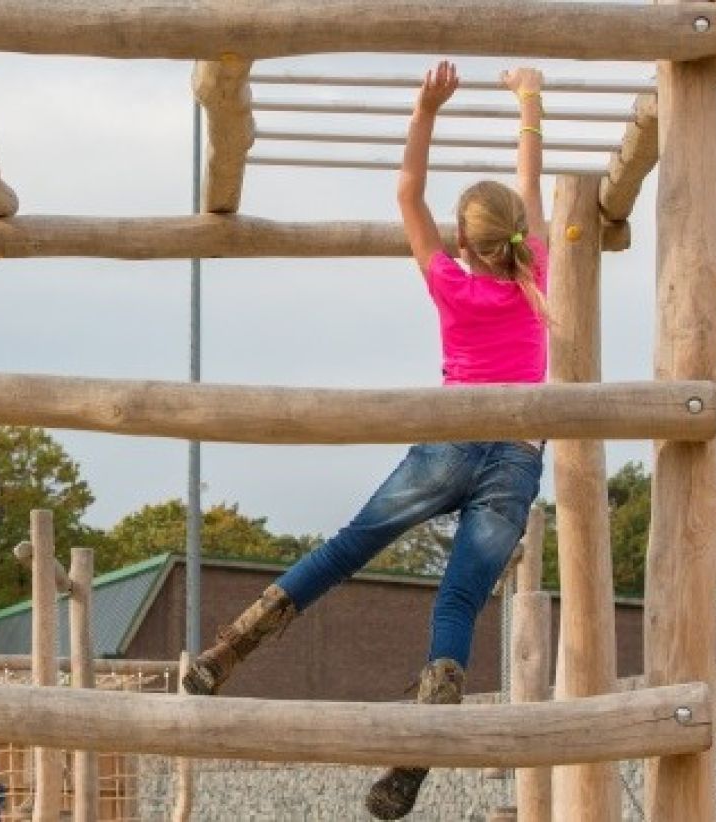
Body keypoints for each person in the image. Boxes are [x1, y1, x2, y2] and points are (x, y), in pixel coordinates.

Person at [181, 61, 550, 821]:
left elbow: (405, 193)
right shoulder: (534, 268)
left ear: (461, 238)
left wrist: (424, 109)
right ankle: (421, 736)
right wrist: (528, 101)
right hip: (516, 454)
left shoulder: (450, 278)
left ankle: (228, 652)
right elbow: (530, 180)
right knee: (457, 601)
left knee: (351, 544)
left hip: (449, 439)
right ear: (514, 235)